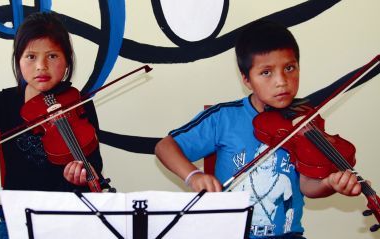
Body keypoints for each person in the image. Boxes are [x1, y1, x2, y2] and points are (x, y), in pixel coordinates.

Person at [154, 19, 362, 238]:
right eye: (266, 72)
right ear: (246, 79)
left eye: (289, 68)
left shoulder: (306, 119)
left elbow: (307, 184)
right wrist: (194, 176)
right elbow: (165, 147)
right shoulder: (224, 117)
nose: (282, 81)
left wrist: (329, 183)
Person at [0, 12, 107, 238]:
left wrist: (85, 172)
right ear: (18, 60)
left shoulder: (78, 103)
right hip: (17, 217)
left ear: (67, 61)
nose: (41, 66)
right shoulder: (4, 103)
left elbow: (93, 160)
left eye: (52, 56)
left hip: (69, 216)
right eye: (31, 57)